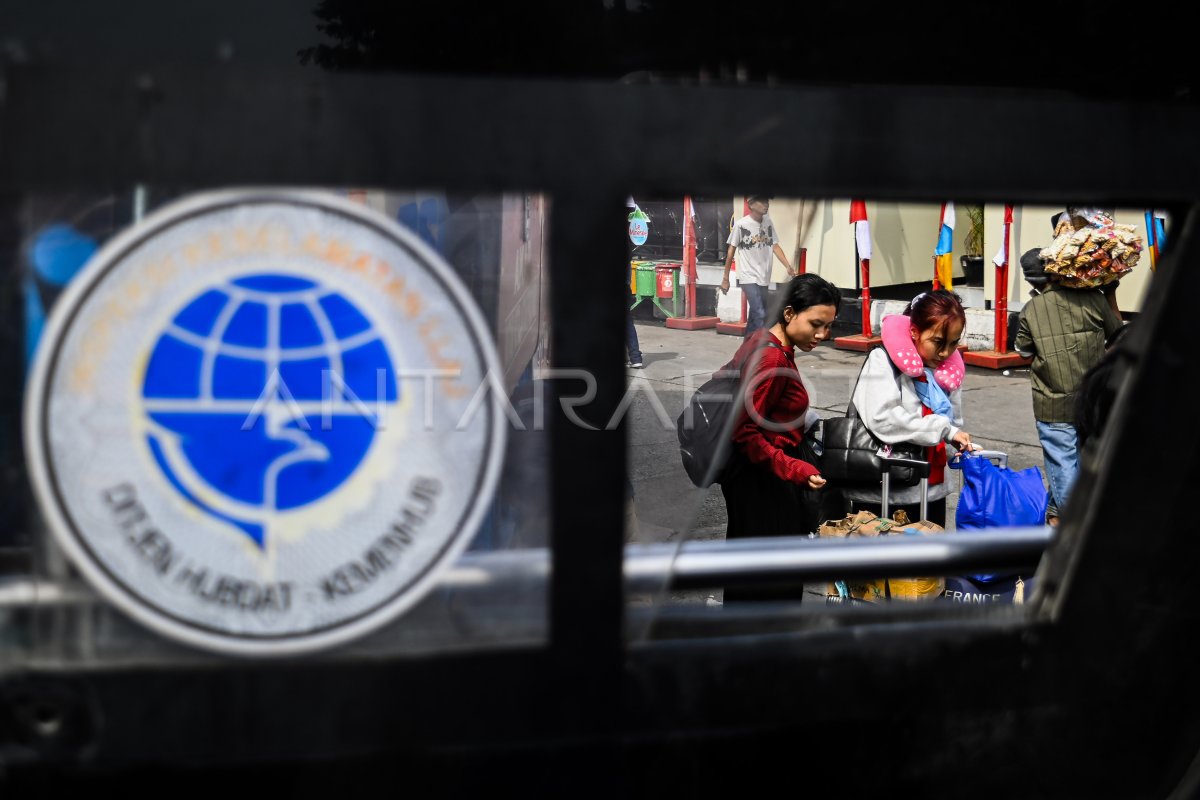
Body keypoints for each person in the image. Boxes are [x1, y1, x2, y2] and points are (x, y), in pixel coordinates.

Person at [718, 273, 840, 603]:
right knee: (768, 585)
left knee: (752, 577)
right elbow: (743, 431)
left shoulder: (767, 343)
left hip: (759, 480)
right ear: (788, 314)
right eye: (816, 323)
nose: (822, 335)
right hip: (763, 484)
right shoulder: (771, 357)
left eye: (828, 326)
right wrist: (794, 469)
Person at [841, 290, 976, 528]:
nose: (945, 352)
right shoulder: (883, 361)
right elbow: (883, 418)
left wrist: (956, 443)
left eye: (953, 343)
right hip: (887, 489)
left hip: (932, 490)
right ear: (914, 331)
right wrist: (944, 430)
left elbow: (952, 422)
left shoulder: (946, 372)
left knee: (928, 560)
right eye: (937, 342)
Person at [1014, 248, 1124, 524]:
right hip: (1092, 401)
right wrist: (1110, 293)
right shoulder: (1094, 298)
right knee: (1084, 463)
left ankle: (1076, 524)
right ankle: (1057, 519)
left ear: (1031, 282)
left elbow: (1024, 354)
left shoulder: (1030, 311)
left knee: (1062, 466)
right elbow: (1118, 337)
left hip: (1052, 404)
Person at [719, 195, 796, 337]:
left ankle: (747, 347)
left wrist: (787, 266)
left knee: (755, 315)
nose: (766, 204)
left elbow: (775, 246)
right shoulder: (741, 225)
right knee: (760, 313)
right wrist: (725, 278)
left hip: (764, 277)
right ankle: (762, 348)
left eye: (767, 201)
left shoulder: (768, 222)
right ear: (752, 205)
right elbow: (731, 252)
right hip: (748, 277)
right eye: (763, 201)